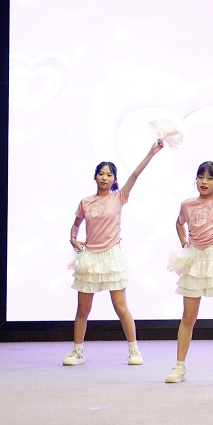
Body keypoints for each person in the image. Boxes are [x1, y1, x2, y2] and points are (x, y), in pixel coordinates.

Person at [64, 140, 164, 366]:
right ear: (95, 177)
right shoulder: (85, 202)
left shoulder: (118, 197)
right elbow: (75, 225)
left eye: (109, 175)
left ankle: (134, 350)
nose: (104, 178)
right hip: (89, 258)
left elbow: (136, 174)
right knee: (83, 308)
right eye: (101, 174)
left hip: (111, 256)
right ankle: (77, 352)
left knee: (120, 307)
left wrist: (152, 151)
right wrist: (73, 239)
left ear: (114, 179)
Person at [165, 125, 213, 384]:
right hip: (195, 260)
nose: (204, 181)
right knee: (188, 317)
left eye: (210, 178)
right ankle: (179, 367)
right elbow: (179, 223)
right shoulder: (187, 204)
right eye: (201, 177)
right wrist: (184, 241)